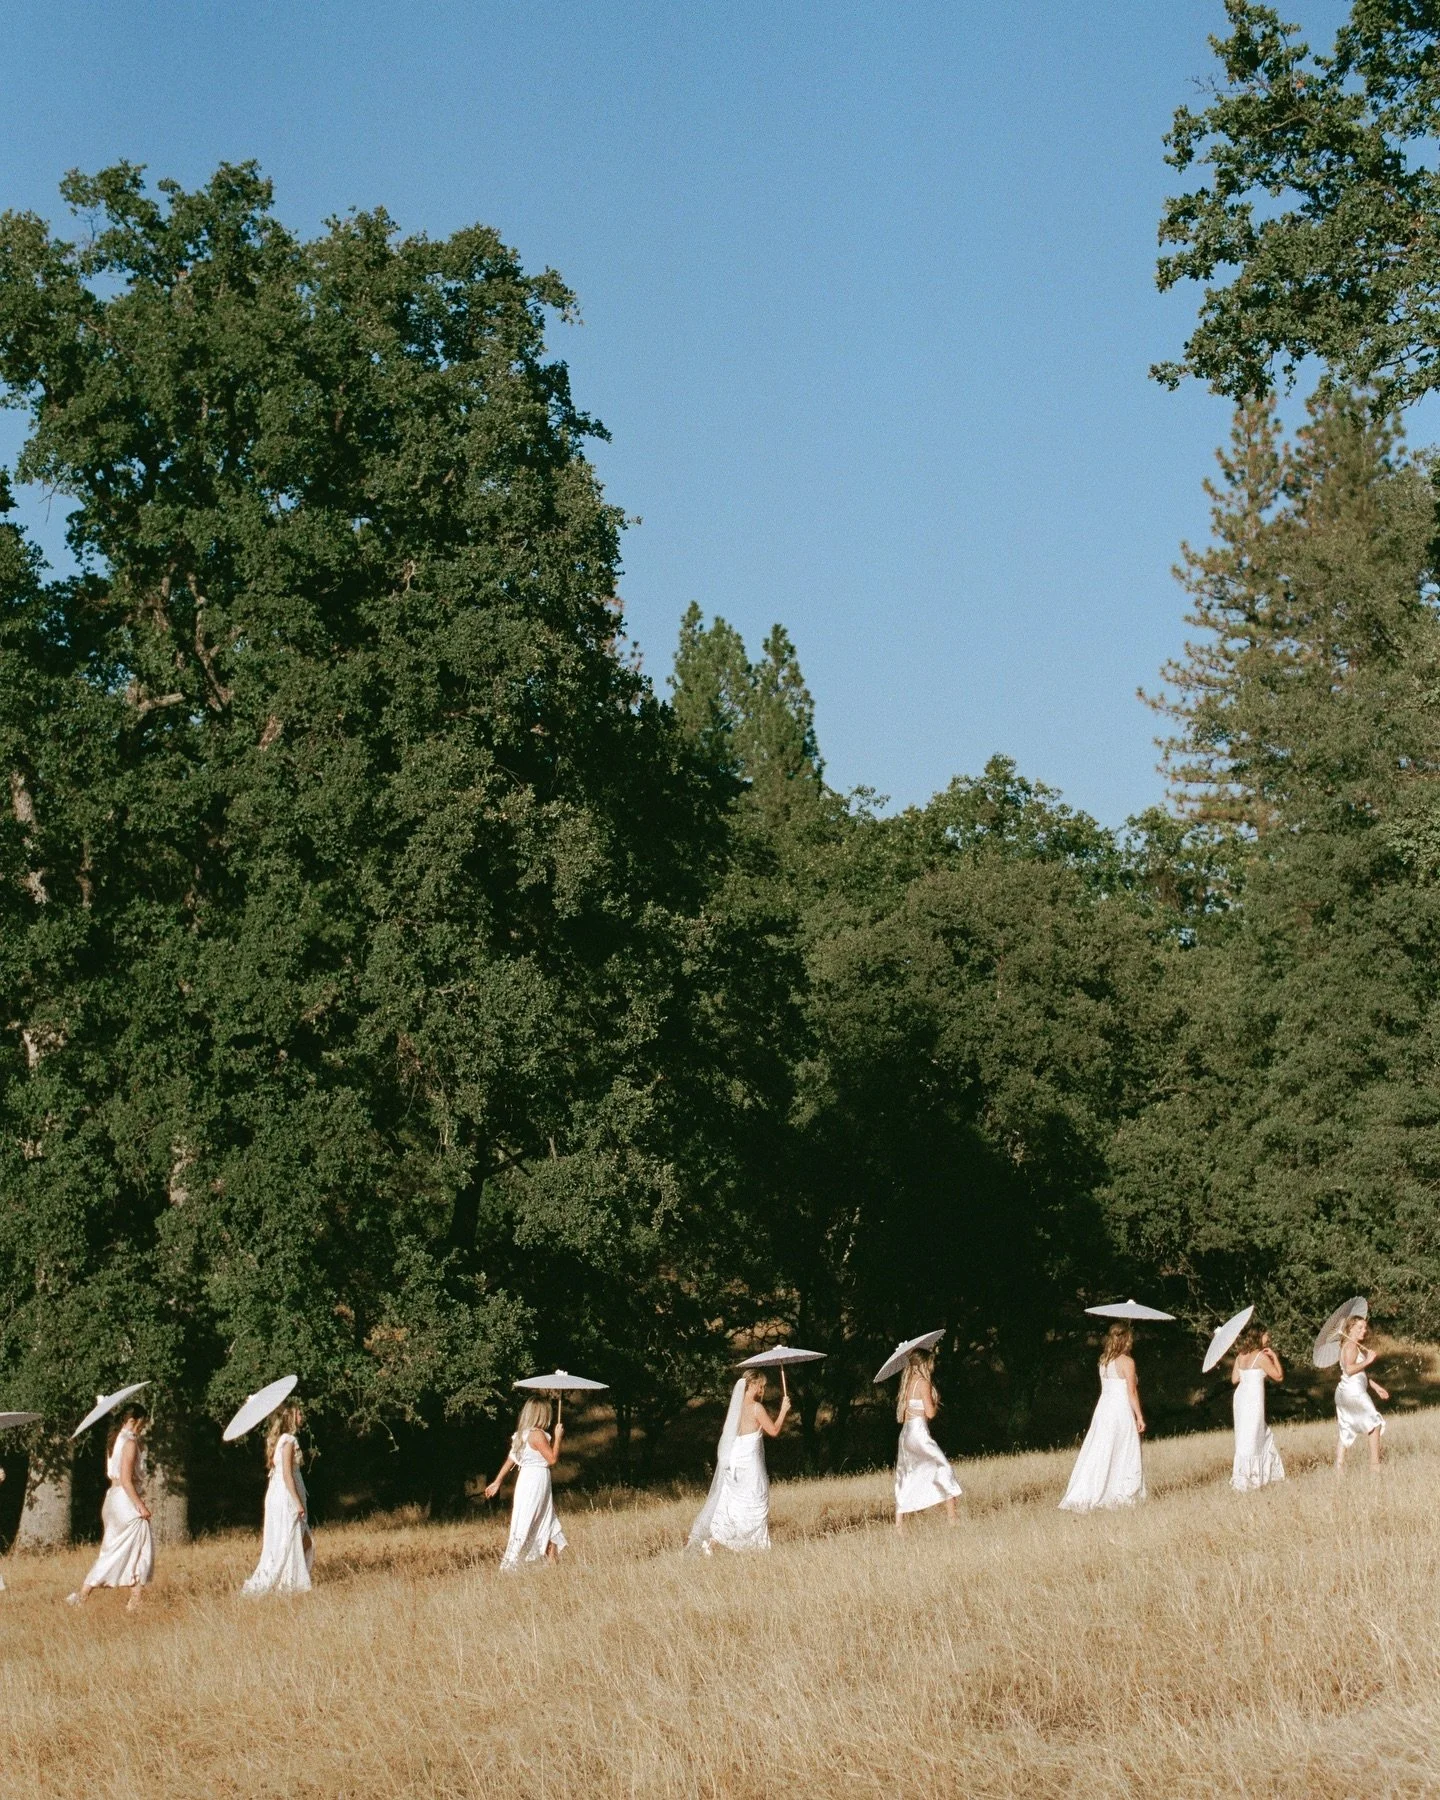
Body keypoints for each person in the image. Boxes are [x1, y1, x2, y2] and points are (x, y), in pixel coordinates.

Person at [687, 1369, 790, 1553]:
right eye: (761, 1386)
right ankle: (755, 1546)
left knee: (734, 1504)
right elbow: (773, 1431)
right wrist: (783, 1411)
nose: (763, 1390)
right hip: (750, 1463)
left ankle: (714, 1542)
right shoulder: (756, 1408)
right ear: (752, 1385)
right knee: (754, 1499)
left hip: (736, 1462)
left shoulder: (737, 1407)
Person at [67, 1405, 154, 1611]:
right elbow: (126, 1479)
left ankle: (134, 1600)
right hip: (125, 1500)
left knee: (118, 1549)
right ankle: (85, 1595)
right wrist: (141, 1506)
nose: (143, 1427)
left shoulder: (115, 1440)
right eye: (142, 1422)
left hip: (112, 1499)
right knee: (139, 1549)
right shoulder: (130, 1443)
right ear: (137, 1420)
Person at [1058, 1323, 1146, 1513]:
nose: (1131, 1343)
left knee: (1100, 1448)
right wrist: (1139, 1416)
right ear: (1125, 1340)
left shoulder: (1104, 1361)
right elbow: (1131, 1391)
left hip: (1104, 1409)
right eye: (1130, 1339)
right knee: (1123, 1448)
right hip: (1120, 1410)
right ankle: (1120, 1491)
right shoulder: (1128, 1362)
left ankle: (1094, 1488)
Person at [241, 1403, 313, 1594]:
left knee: (294, 1537)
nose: (302, 1417)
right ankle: (289, 1582)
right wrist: (297, 1502)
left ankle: (291, 1578)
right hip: (287, 1493)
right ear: (291, 1417)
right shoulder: (288, 1440)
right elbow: (287, 1474)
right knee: (293, 1537)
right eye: (299, 1414)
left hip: (278, 1492)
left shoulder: (280, 1440)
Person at [486, 1398, 566, 1570]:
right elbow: (552, 1459)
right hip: (536, 1479)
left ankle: (553, 1567)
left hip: (527, 1480)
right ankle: (511, 1565)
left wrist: (497, 1481)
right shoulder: (537, 1435)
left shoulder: (522, 1434)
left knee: (545, 1518)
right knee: (531, 1519)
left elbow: (511, 1459)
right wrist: (558, 1438)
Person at [893, 1349, 962, 1531]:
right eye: (930, 1363)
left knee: (905, 1474)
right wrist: (934, 1399)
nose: (932, 1366)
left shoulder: (907, 1383)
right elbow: (930, 1413)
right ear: (923, 1364)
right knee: (944, 1467)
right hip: (918, 1433)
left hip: (906, 1433)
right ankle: (952, 1518)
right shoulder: (923, 1383)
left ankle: (899, 1526)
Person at [1230, 1322, 1284, 1491]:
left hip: (1240, 1398)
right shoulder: (1261, 1356)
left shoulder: (1241, 1356)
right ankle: (1253, 1479)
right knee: (1254, 1436)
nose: (1268, 1338)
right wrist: (1274, 1357)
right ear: (1259, 1336)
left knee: (1247, 1436)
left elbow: (1234, 1379)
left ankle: (1246, 1476)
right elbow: (1279, 1376)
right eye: (1266, 1334)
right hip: (1253, 1401)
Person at [1335, 1315, 1388, 1470]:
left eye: (1364, 1327)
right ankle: (1375, 1465)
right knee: (1375, 1423)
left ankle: (1338, 1470)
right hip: (1353, 1392)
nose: (1364, 1331)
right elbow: (1350, 1369)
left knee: (1346, 1429)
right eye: (1359, 1328)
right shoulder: (1351, 1346)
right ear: (1350, 1328)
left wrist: (1375, 1386)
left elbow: (1360, 1373)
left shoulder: (1350, 1345)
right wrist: (1368, 1360)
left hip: (1344, 1391)